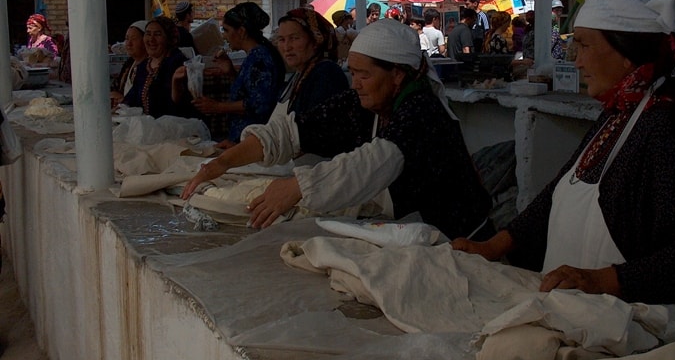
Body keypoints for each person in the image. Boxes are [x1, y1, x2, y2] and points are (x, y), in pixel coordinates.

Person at [452, 0, 675, 331]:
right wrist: (493, 246)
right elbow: (556, 195)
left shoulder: (669, 127)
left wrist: (600, 281)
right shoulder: (620, 112)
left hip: (640, 331)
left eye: (585, 45)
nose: (576, 60)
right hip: (582, 318)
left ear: (626, 53)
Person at [181, 19, 492, 240]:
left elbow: (371, 163)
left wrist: (298, 187)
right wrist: (221, 164)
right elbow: (291, 132)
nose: (354, 83)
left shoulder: (421, 111)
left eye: (364, 75)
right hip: (405, 229)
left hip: (459, 239)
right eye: (353, 73)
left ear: (397, 75)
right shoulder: (363, 101)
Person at [173, 2, 286, 147]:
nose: (224, 36)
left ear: (241, 32)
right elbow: (248, 91)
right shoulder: (254, 55)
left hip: (255, 138)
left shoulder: (261, 58)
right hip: (243, 136)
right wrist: (231, 72)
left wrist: (218, 107)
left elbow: (260, 104)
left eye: (226, 30)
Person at [274, 8, 349, 117]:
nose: (286, 47)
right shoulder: (301, 72)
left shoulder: (326, 74)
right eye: (281, 39)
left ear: (315, 41)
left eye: (294, 38)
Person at [122, 17, 192, 118]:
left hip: (173, 127)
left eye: (157, 34)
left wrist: (175, 82)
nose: (151, 39)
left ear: (169, 38)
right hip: (146, 127)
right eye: (148, 34)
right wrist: (120, 108)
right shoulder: (143, 66)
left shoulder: (178, 63)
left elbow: (179, 102)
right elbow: (132, 97)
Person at [110, 20, 148, 108]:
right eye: (127, 38)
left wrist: (125, 100)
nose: (129, 43)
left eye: (134, 39)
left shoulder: (149, 67)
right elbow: (115, 88)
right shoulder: (129, 63)